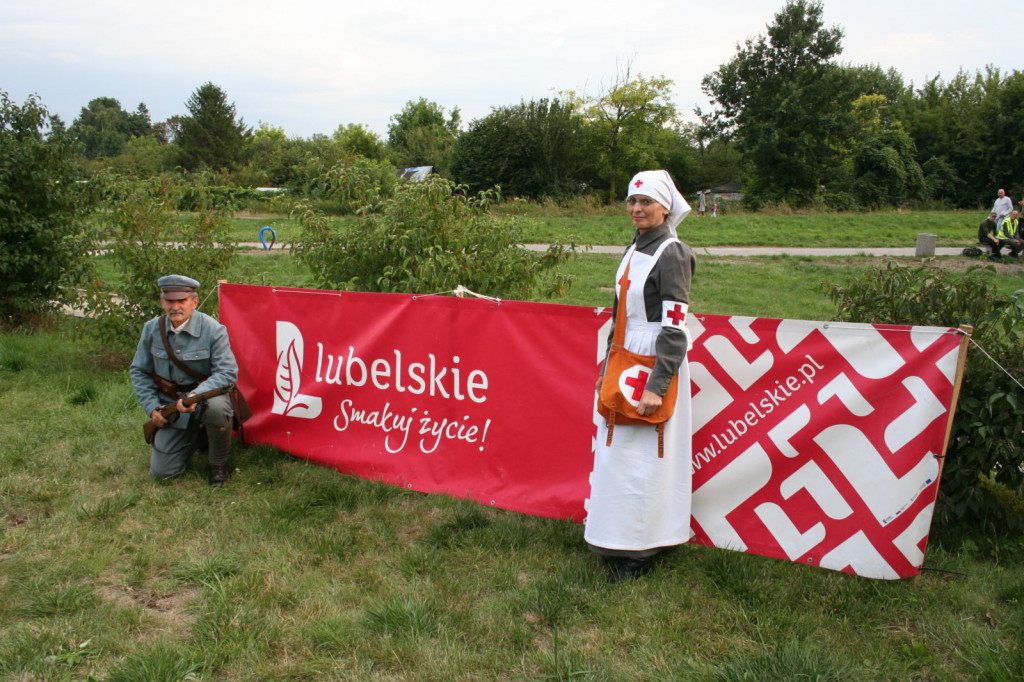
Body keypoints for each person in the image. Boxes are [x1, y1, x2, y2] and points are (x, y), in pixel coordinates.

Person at [586, 170, 695, 583]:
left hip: (653, 363)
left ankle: (642, 551)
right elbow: (621, 316)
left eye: (645, 202)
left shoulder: (672, 252)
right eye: (632, 202)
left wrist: (657, 383)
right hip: (624, 357)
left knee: (647, 461)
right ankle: (616, 538)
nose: (636, 209)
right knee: (620, 457)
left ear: (664, 206)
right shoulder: (633, 248)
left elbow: (674, 326)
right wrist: (606, 368)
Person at [129, 275, 238, 486]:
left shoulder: (213, 329)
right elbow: (139, 371)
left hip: (205, 398)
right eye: (170, 301)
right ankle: (199, 437)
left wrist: (194, 396)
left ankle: (218, 464)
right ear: (162, 302)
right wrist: (152, 408)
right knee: (163, 473)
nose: (175, 307)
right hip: (171, 406)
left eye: (182, 301)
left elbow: (227, 373)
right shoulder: (152, 329)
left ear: (194, 302)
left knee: (217, 408)